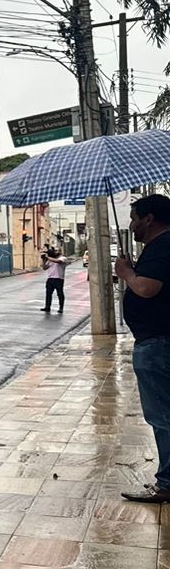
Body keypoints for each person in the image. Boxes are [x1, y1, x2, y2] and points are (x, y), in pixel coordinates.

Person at [117, 194, 170, 503]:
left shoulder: (163, 246)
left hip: (158, 343)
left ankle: (167, 483)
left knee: (162, 415)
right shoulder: (158, 249)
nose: (132, 224)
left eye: (135, 217)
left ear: (150, 218)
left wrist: (127, 273)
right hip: (158, 340)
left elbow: (147, 288)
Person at [40, 245, 69, 312]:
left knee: (60, 294)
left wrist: (48, 257)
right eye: (54, 250)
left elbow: (58, 261)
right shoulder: (51, 259)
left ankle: (61, 308)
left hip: (59, 279)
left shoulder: (63, 258)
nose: (55, 252)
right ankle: (47, 307)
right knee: (48, 294)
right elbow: (44, 268)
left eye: (56, 250)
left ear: (60, 251)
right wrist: (44, 260)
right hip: (50, 278)